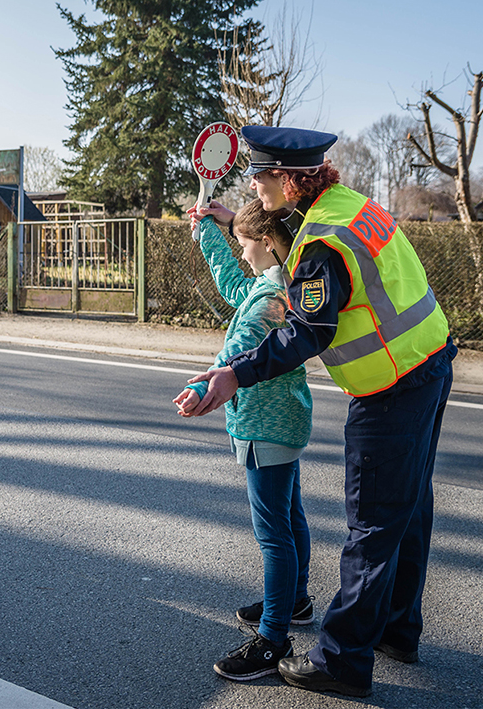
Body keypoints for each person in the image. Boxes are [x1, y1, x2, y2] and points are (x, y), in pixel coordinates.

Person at [187, 125, 456, 698]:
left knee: (373, 524)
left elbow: (306, 331)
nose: (255, 186)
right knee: (408, 510)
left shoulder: (322, 244)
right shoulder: (346, 207)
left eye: (259, 178)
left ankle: (342, 658)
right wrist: (229, 222)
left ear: (286, 179)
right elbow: (286, 250)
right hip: (428, 360)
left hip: (391, 388)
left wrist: (236, 373)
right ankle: (397, 629)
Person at [175, 198, 314, 682]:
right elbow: (237, 285)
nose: (243, 253)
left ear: (268, 243)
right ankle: (295, 600)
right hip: (286, 422)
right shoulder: (279, 282)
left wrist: (199, 386)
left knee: (274, 536)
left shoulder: (271, 302)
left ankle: (274, 640)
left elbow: (236, 350)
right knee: (290, 517)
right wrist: (211, 232)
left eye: (244, 244)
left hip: (264, 426)